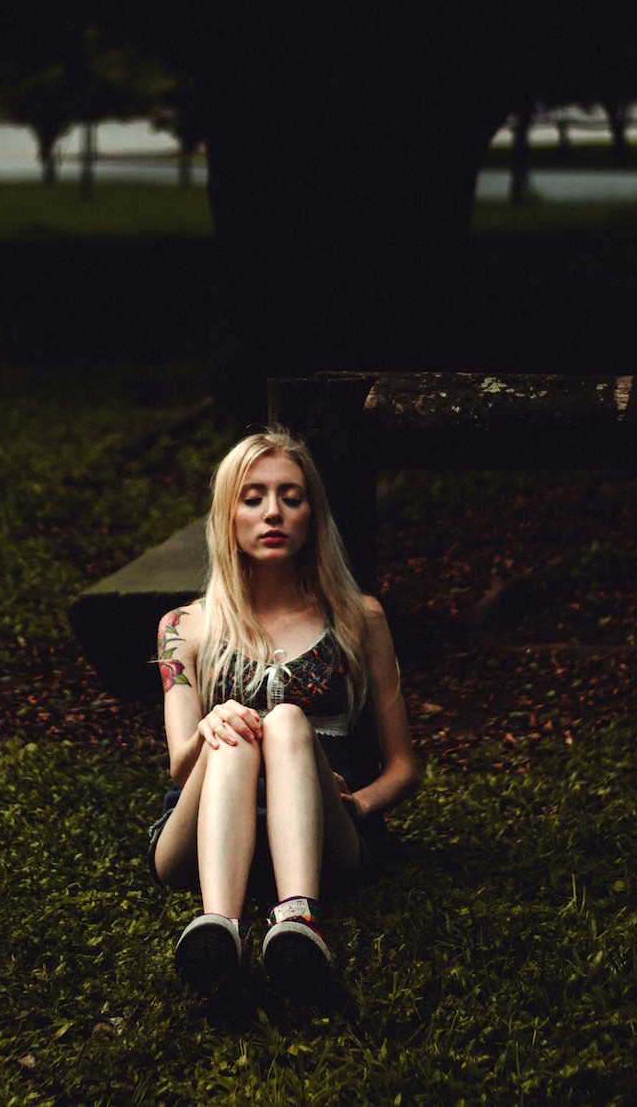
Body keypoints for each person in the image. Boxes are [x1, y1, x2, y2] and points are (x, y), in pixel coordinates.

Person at [148, 426, 418, 994]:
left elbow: (402, 768)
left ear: (312, 515)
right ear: (228, 515)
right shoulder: (183, 627)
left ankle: (299, 917)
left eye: (291, 498)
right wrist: (209, 724)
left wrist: (359, 802)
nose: (273, 512)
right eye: (254, 498)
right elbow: (179, 769)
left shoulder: (358, 617)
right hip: (199, 836)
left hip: (324, 837)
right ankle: (219, 924)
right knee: (234, 726)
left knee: (289, 720)